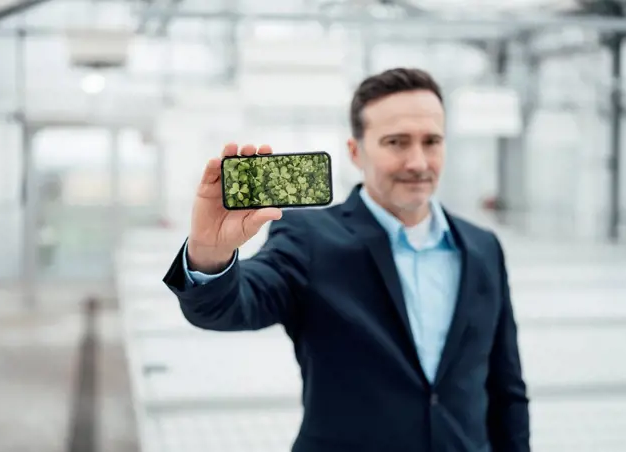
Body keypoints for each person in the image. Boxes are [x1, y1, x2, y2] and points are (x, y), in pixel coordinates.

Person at [163, 67, 530, 452]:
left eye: (432, 141)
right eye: (396, 142)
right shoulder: (310, 239)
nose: (418, 162)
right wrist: (209, 252)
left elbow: (506, 389)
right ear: (356, 151)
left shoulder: (482, 247)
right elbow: (230, 307)